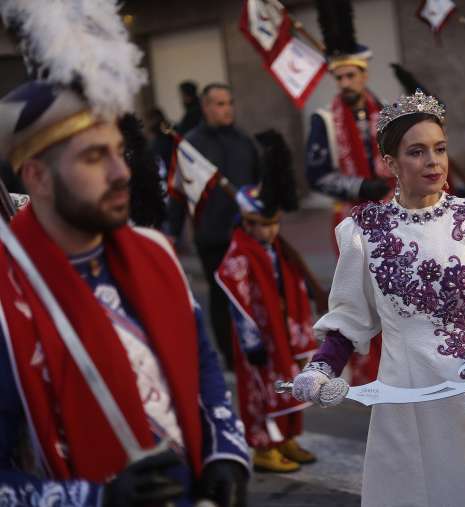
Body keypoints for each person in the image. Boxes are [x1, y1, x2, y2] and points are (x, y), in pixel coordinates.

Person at [292, 90, 465, 506]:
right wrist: (320, 369)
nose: (433, 161)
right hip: (404, 397)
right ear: (392, 163)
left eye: (440, 149)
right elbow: (349, 319)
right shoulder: (364, 232)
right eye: (417, 152)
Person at [0, 79, 251, 506]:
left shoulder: (153, 250)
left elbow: (200, 360)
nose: (122, 173)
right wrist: (95, 499)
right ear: (37, 176)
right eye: (95, 157)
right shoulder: (8, 300)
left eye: (119, 151)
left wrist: (225, 452)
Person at [305, 0, 389, 385]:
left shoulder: (386, 112)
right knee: (356, 295)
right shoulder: (323, 120)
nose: (345, 84)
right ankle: (362, 369)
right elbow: (317, 175)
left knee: (392, 290)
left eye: (351, 76)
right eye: (339, 78)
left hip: (390, 214)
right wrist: (358, 186)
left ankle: (395, 362)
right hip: (349, 220)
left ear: (363, 74)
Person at [216, 185, 318, 473]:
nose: (271, 231)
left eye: (275, 223)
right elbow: (238, 301)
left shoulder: (276, 249)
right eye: (264, 225)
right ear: (246, 223)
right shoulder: (239, 255)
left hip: (283, 332)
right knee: (262, 391)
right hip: (261, 337)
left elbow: (292, 282)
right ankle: (264, 446)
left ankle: (286, 438)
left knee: (290, 384)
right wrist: (251, 342)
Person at [167, 83, 262, 369]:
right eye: (220, 104)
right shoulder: (191, 145)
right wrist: (172, 233)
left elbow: (260, 182)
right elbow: (178, 193)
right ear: (206, 107)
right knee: (221, 298)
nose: (227, 109)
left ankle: (256, 348)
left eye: (229, 103)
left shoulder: (244, 141)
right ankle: (230, 356)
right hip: (212, 236)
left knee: (252, 294)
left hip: (247, 234)